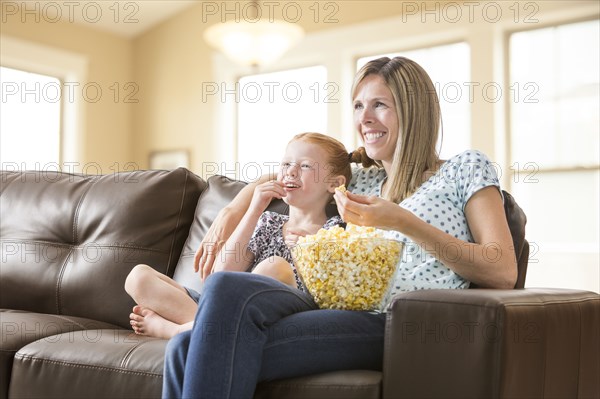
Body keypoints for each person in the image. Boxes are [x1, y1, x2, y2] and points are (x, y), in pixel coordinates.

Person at [162, 56, 518, 398]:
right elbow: (293, 169)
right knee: (192, 333)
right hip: (333, 310)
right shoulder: (359, 179)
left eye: (379, 104)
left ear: (413, 111)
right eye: (358, 106)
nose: (365, 117)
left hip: (400, 323)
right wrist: (233, 208)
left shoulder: (464, 168)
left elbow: (501, 270)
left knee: (191, 343)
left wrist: (403, 222)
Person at [124, 132, 351, 339]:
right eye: (287, 163)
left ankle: (176, 330)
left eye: (306, 166)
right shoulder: (269, 222)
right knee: (138, 277)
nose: (291, 171)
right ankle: (206, 327)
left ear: (334, 183)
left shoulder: (336, 231)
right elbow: (220, 277)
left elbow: (330, 296)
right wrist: (254, 208)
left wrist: (306, 253)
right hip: (230, 309)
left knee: (273, 266)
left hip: (278, 316)